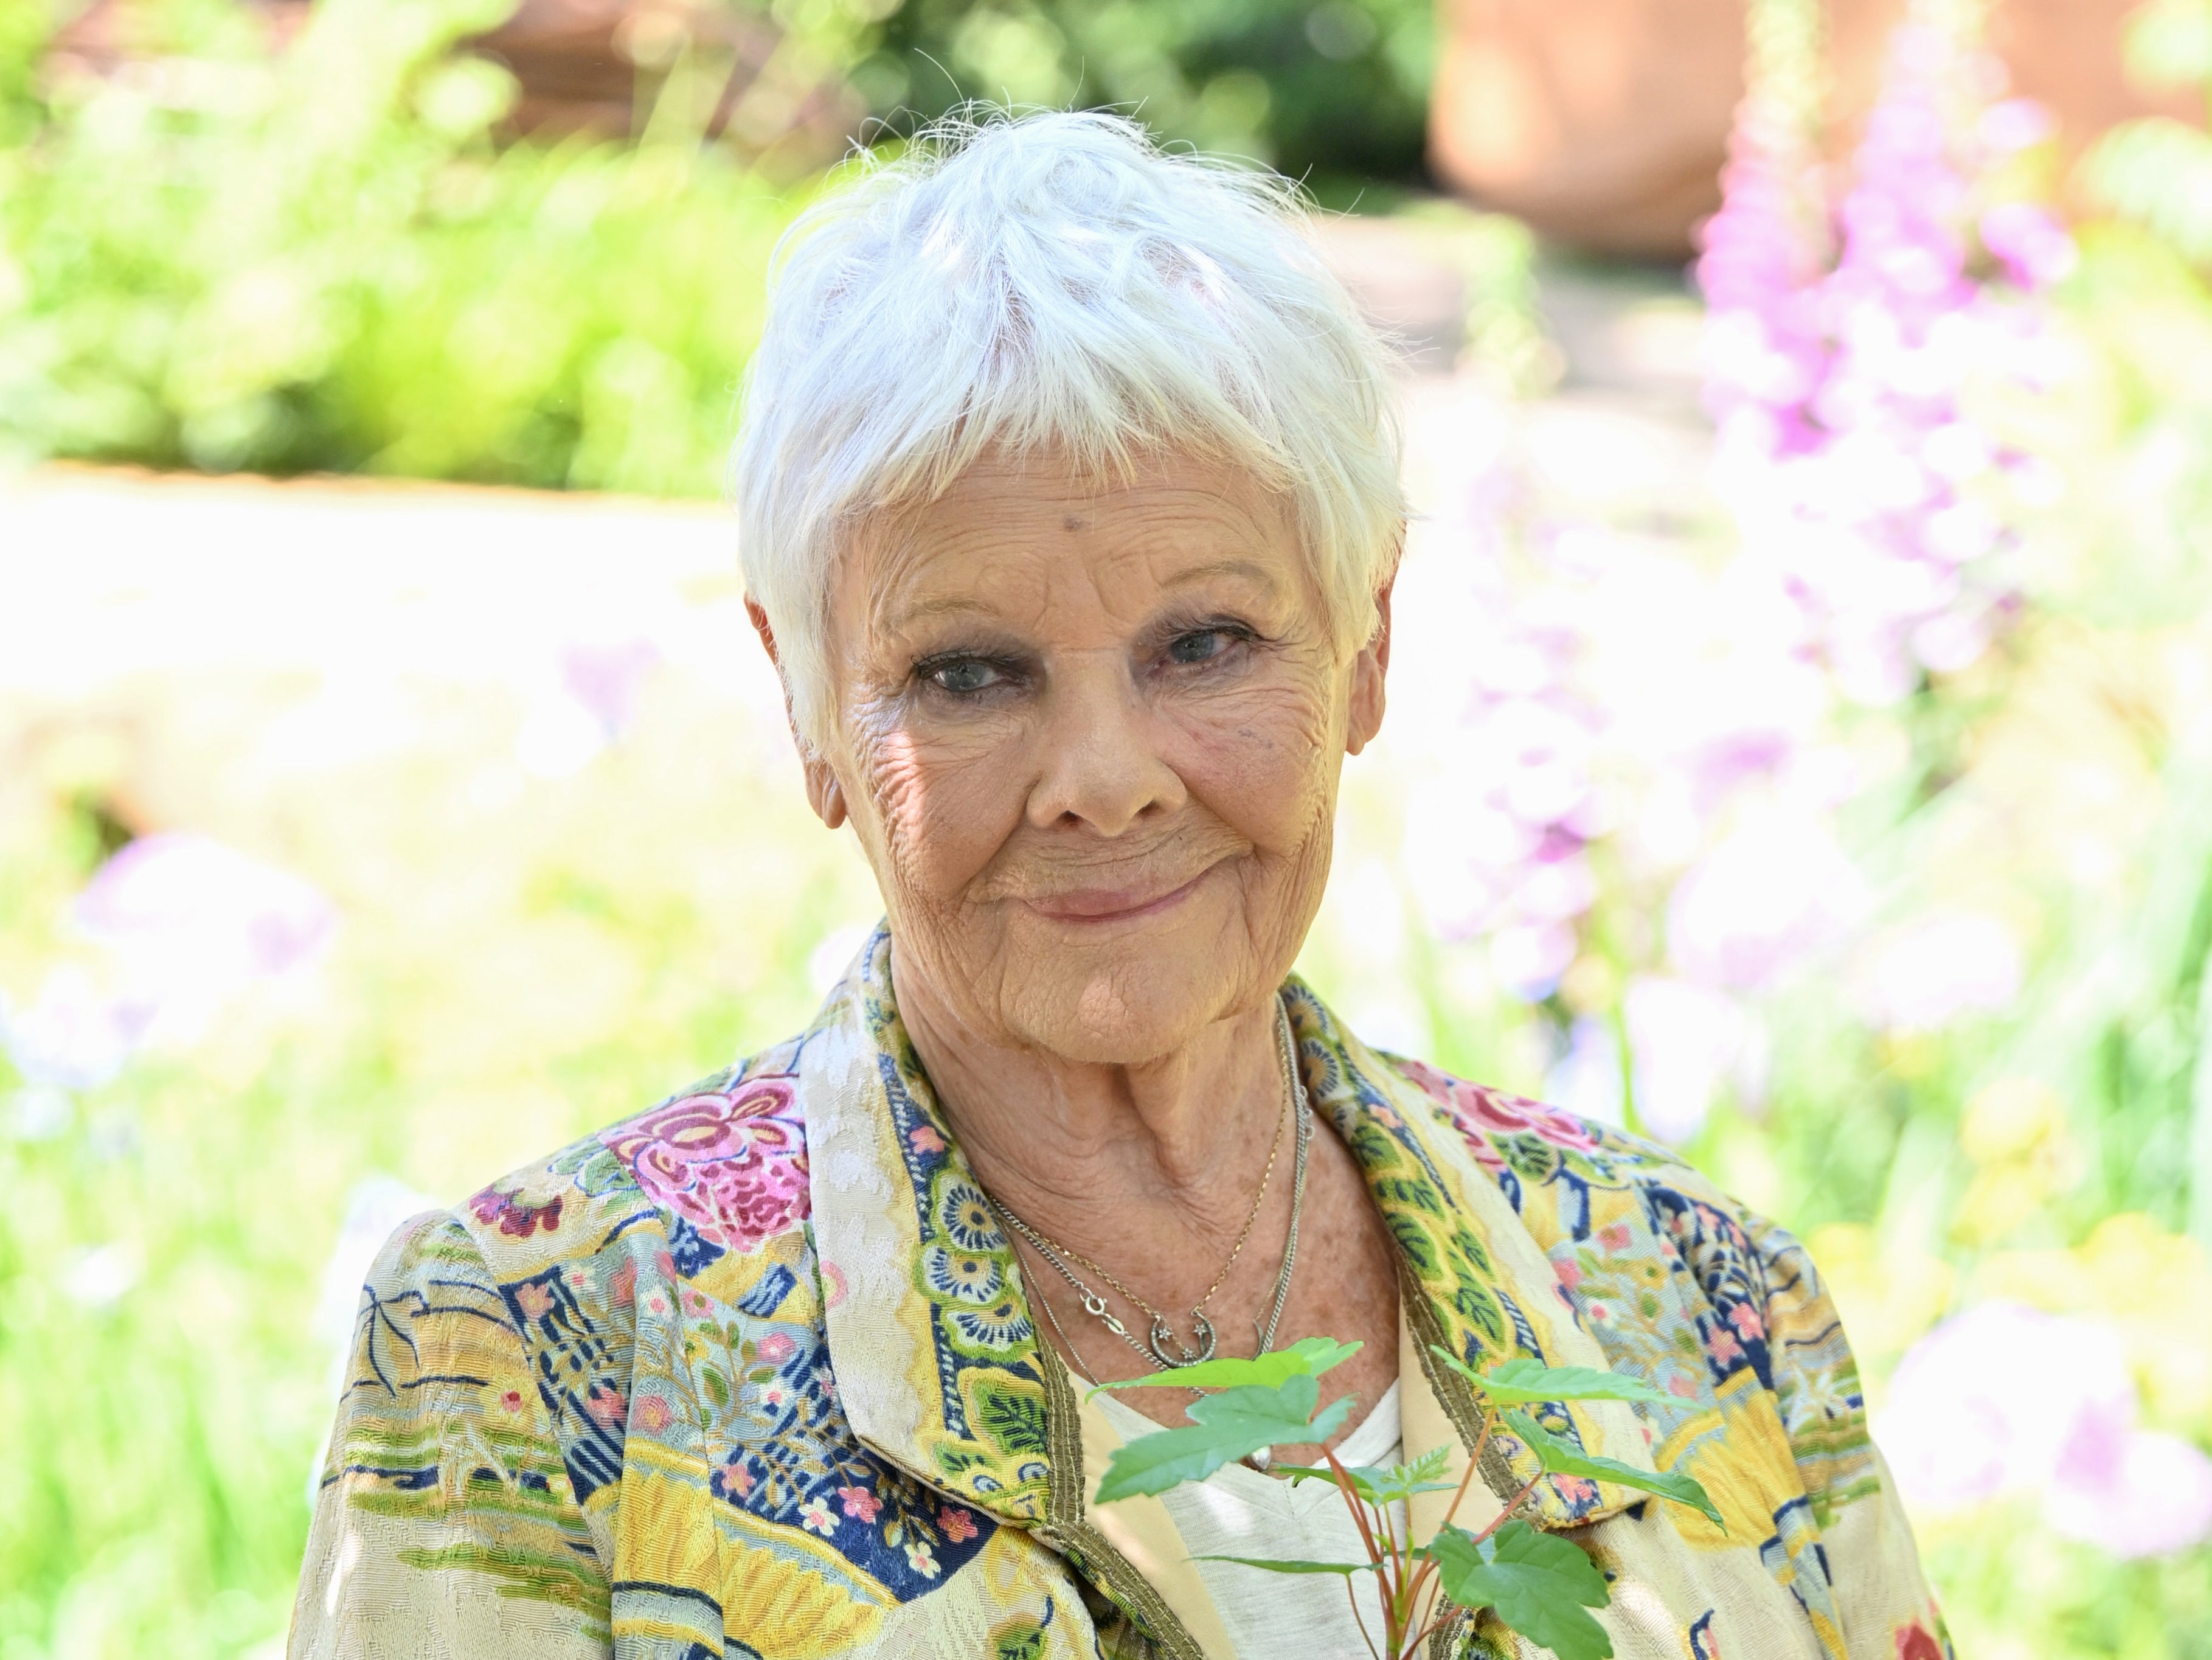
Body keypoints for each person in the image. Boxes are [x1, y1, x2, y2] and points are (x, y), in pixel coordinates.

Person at [290, 110, 1950, 1660]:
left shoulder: (1703, 1303)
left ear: (1368, 645)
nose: (1106, 776)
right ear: (806, 700)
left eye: (1207, 643)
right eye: (969, 674)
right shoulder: (531, 1359)